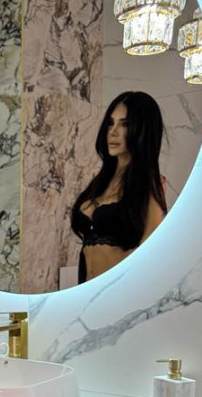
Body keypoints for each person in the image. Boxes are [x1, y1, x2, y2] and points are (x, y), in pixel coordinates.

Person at [70, 91, 168, 284]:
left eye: (125, 124)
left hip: (120, 293)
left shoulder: (149, 183)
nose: (113, 132)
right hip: (86, 292)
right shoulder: (100, 182)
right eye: (110, 123)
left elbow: (151, 252)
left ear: (143, 130)